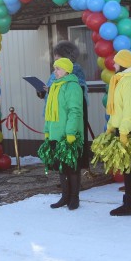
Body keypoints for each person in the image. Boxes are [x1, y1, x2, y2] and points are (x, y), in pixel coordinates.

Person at [105, 50, 131, 216]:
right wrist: (111, 126)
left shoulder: (129, 82)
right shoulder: (120, 80)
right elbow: (117, 110)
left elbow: (130, 111)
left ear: (122, 63)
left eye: (116, 62)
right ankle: (129, 202)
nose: (114, 65)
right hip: (123, 128)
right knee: (127, 167)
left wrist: (123, 131)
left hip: (130, 129)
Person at [37, 41, 90, 170]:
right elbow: (52, 88)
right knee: (58, 148)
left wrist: (54, 90)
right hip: (56, 115)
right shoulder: (57, 70)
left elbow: (78, 89)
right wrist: (43, 92)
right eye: (55, 55)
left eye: (58, 56)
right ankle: (64, 175)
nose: (55, 58)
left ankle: (71, 177)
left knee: (70, 149)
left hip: (68, 115)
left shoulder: (75, 69)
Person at [42, 57, 84, 210]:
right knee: (61, 167)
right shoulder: (54, 86)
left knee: (72, 167)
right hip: (55, 133)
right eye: (55, 68)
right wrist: (47, 130)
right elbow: (49, 111)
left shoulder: (72, 87)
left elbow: (75, 111)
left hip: (68, 134)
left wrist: (71, 132)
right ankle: (65, 196)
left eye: (58, 68)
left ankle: (74, 197)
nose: (55, 71)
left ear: (67, 70)